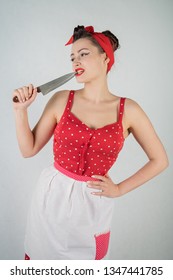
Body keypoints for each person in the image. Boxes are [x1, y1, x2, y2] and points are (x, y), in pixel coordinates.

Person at [13, 25, 168, 260]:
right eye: (73, 57)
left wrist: (119, 190)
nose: (76, 61)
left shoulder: (129, 110)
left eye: (84, 54)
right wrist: (19, 110)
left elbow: (160, 160)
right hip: (51, 199)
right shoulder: (61, 99)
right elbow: (29, 149)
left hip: (93, 204)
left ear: (105, 57)